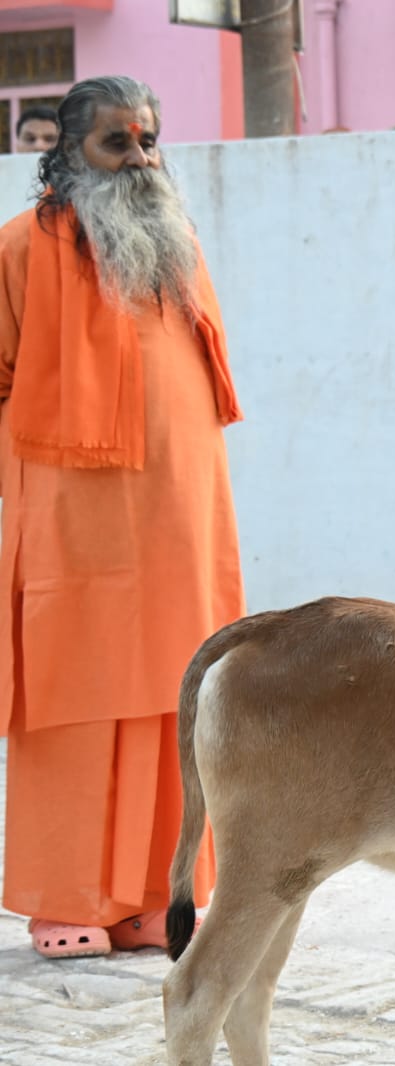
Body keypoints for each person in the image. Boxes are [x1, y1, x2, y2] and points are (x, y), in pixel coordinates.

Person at [0, 76, 245, 958]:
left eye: (147, 142)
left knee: (175, 698)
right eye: (117, 144)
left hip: (181, 515)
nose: (140, 160)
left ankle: (155, 892)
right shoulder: (21, 248)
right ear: (66, 155)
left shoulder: (175, 243)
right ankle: (67, 899)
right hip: (76, 525)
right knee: (79, 698)